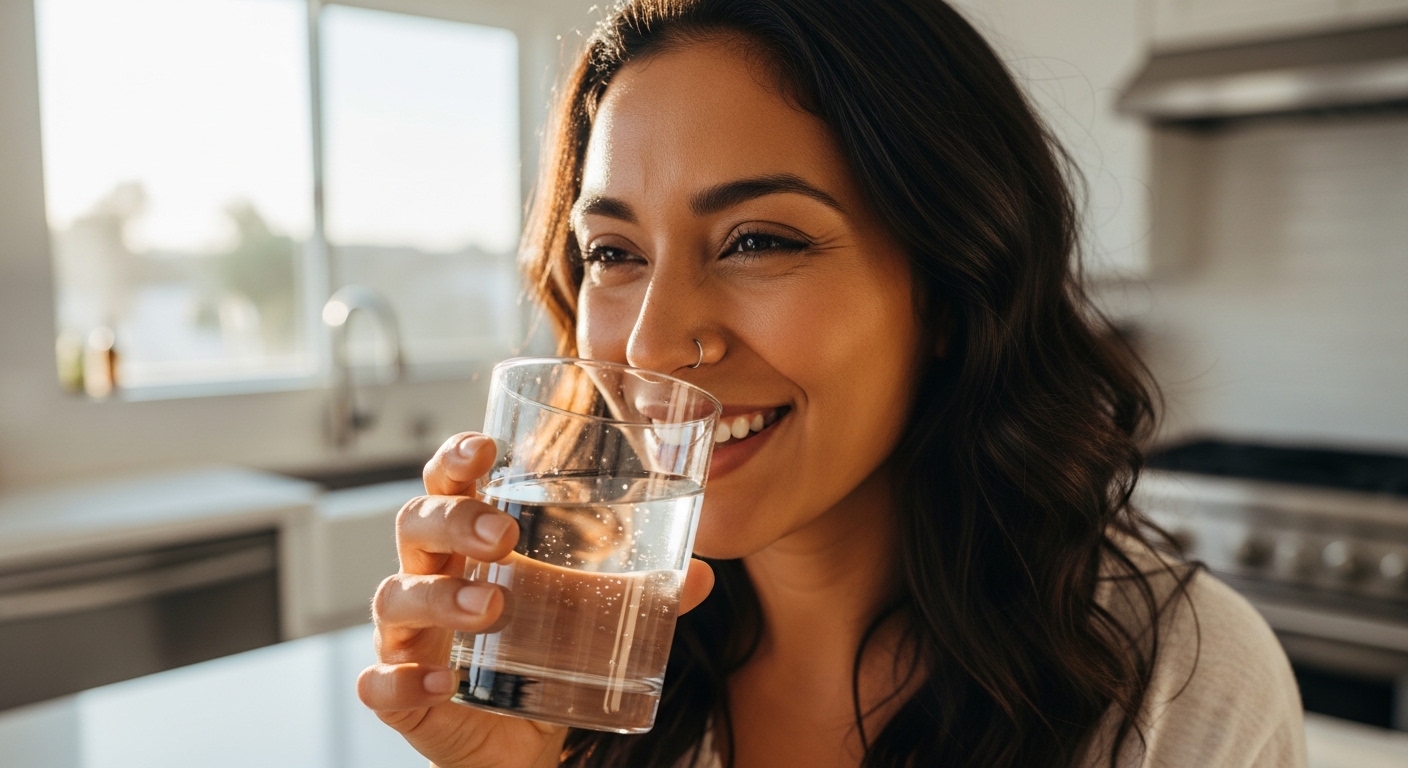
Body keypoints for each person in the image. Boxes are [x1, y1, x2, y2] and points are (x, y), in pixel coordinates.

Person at [357, 1, 1306, 766]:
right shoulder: (578, 670)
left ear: (948, 287)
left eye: (759, 241)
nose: (651, 345)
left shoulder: (1177, 688)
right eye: (613, 251)